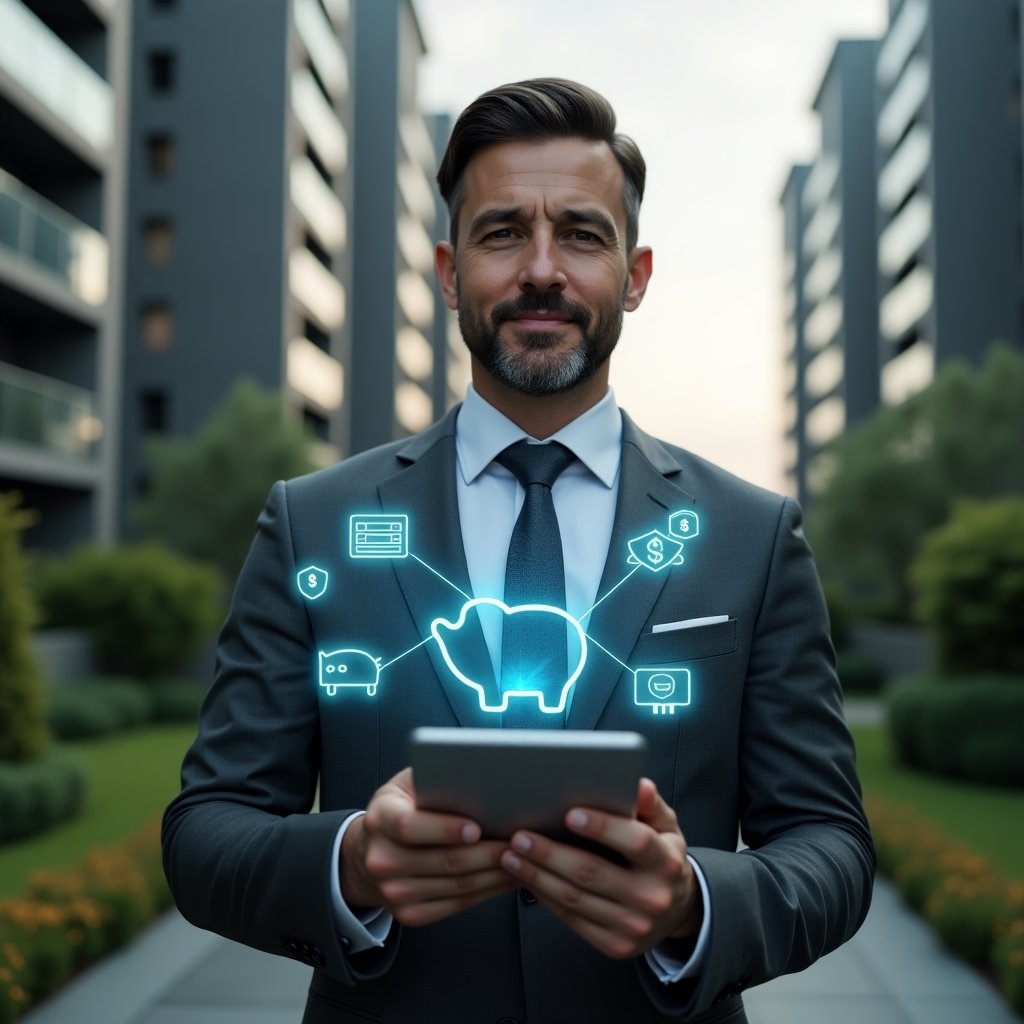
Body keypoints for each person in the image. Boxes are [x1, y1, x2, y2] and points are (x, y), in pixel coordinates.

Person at [163, 78, 874, 1024]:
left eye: (582, 234)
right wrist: (352, 867)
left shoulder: (754, 534)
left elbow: (829, 843)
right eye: (503, 234)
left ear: (636, 273)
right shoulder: (313, 521)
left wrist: (695, 904)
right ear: (451, 273)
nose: (543, 270)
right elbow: (206, 831)